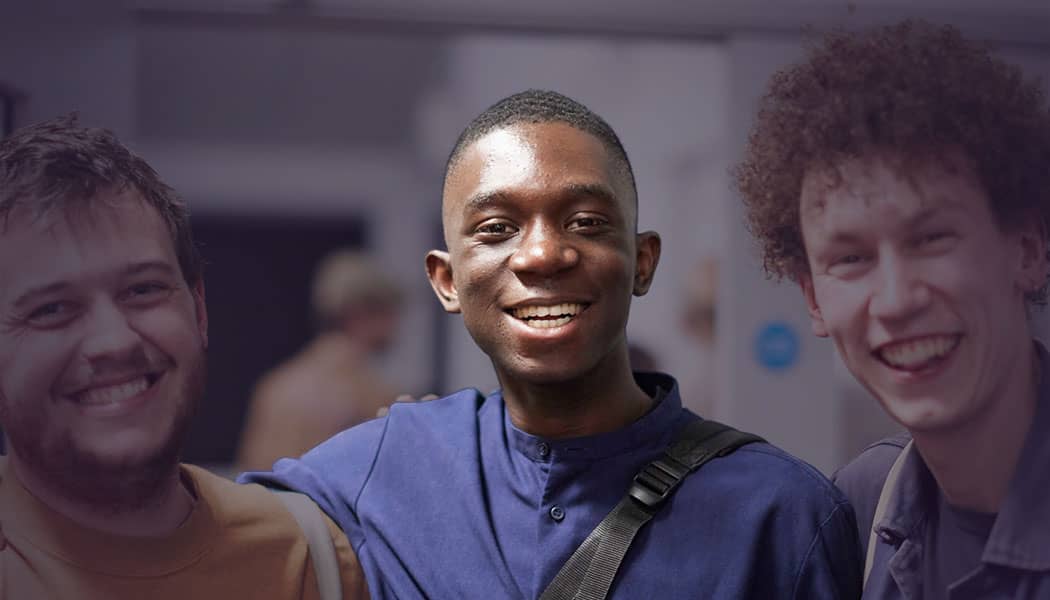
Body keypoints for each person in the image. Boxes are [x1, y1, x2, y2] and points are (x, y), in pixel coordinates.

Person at [242, 89, 862, 599]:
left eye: (586, 222)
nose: (542, 254)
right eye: (496, 229)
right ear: (447, 280)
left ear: (642, 262)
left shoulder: (782, 514)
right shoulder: (385, 468)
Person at [734, 20, 1050, 599]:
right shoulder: (857, 507)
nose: (898, 300)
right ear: (813, 299)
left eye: (933, 239)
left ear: (1028, 249)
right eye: (851, 258)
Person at [0, 116, 367, 599]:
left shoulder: (308, 555)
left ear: (198, 309)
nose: (115, 341)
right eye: (52, 309)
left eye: (143, 289)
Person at [237, 250, 403, 472]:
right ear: (360, 314)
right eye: (391, 313)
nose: (397, 326)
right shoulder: (369, 393)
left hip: (272, 505)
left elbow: (250, 473)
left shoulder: (276, 386)